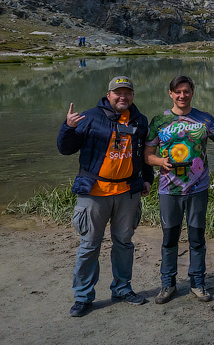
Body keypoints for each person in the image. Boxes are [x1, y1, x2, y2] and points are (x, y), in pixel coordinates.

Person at [57, 76, 153, 317]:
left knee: (124, 244)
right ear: (108, 95)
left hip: (127, 193)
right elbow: (65, 148)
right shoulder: (89, 117)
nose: (123, 97)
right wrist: (67, 127)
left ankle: (122, 288)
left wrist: (148, 179)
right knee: (89, 245)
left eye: (127, 93)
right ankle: (83, 297)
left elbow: (144, 154)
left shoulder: (140, 121)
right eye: (118, 93)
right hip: (94, 192)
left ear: (133, 95)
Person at [144, 76, 214, 304]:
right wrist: (161, 163)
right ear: (170, 93)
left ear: (192, 93)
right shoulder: (159, 121)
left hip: (198, 188)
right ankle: (167, 284)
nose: (182, 95)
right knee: (170, 238)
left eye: (186, 91)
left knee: (197, 237)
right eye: (177, 92)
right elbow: (147, 156)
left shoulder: (204, 119)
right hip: (169, 190)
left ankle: (198, 283)